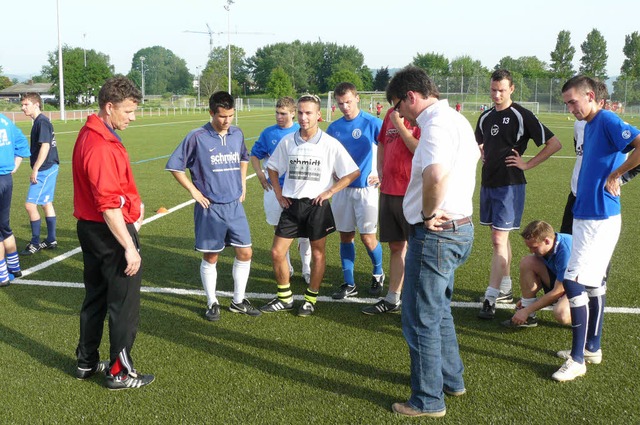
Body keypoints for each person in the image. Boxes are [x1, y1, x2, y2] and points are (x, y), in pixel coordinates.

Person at [387, 66, 479, 418]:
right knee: (438, 311)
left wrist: (427, 214)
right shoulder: (456, 120)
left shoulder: (437, 124)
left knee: (419, 317)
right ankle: (451, 380)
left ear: (411, 96)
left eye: (399, 105)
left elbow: (436, 174)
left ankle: (428, 399)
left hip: (437, 233)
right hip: (459, 227)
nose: (399, 113)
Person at [554, 75, 640, 381]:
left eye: (573, 102)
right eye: (567, 103)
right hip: (586, 212)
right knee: (592, 283)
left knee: (573, 281)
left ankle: (577, 360)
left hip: (599, 216)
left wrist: (619, 175)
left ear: (590, 96)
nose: (570, 108)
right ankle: (592, 347)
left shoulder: (606, 119)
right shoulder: (589, 124)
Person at [72, 76, 153, 390]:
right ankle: (119, 372)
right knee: (123, 303)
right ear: (110, 107)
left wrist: (133, 205)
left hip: (92, 229)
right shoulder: (100, 145)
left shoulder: (90, 133)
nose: (133, 117)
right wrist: (129, 246)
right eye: (129, 111)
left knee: (96, 298)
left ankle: (86, 361)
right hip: (109, 232)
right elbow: (107, 205)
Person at [259, 94, 359, 317]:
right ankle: (284, 297)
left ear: (318, 115)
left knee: (318, 254)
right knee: (277, 252)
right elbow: (273, 167)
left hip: (317, 206)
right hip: (292, 206)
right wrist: (278, 192)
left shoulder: (330, 144)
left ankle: (310, 299)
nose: (304, 118)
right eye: (301, 113)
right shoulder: (288, 141)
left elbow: (352, 172)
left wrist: (330, 191)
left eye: (309, 113)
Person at [166, 91, 260, 321]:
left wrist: (243, 185)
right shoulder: (196, 136)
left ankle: (238, 301)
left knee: (245, 252)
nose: (227, 121)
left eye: (230, 116)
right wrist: (193, 191)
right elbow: (175, 167)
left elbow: (244, 157)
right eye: (222, 116)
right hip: (210, 207)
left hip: (234, 206)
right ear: (211, 113)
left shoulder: (237, 133)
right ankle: (212, 302)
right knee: (211, 256)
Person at [476, 69, 562, 320]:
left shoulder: (521, 115)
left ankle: (491, 297)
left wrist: (527, 164)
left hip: (510, 185)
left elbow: (554, 143)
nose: (496, 94)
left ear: (511, 89)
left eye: (502, 90)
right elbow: (480, 142)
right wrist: (483, 151)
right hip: (488, 183)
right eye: (493, 89)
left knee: (498, 238)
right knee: (499, 239)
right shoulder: (485, 117)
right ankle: (504, 287)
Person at [326, 82, 384, 300]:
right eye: (340, 103)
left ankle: (378, 272)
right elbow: (329, 154)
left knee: (368, 238)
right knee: (345, 236)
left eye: (348, 102)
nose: (345, 107)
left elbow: (389, 148)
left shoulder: (372, 122)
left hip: (365, 190)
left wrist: (381, 171)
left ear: (357, 99)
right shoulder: (334, 128)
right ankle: (349, 283)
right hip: (341, 190)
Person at [362, 106, 419, 315]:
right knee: (396, 246)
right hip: (389, 190)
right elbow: (382, 142)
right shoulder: (390, 113)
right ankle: (393, 297)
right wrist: (379, 168)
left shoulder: (419, 115)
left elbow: (418, 148)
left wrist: (399, 125)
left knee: (417, 249)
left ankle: (415, 299)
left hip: (412, 192)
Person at [250, 96, 311, 284]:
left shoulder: (303, 132)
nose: (279, 117)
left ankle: (307, 269)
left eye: (283, 113)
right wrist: (260, 174)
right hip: (275, 190)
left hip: (298, 190)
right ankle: (288, 267)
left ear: (293, 113)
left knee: (304, 233)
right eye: (277, 113)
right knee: (279, 231)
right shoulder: (268, 133)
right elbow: (254, 155)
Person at [502, 220, 571, 328]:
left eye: (534, 247)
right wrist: (528, 302)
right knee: (528, 261)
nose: (531, 251)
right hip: (563, 282)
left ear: (547, 241)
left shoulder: (566, 252)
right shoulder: (549, 244)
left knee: (561, 313)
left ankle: (587, 314)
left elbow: (559, 291)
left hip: (582, 287)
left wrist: (527, 310)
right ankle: (529, 317)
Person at [19, 93, 59, 255]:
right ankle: (51, 239)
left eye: (26, 104)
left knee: (30, 205)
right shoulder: (40, 121)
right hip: (49, 167)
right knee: (46, 203)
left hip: (45, 169)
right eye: (22, 105)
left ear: (36, 105)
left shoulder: (41, 122)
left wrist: (35, 168)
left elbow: (45, 146)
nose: (23, 108)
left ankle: (35, 242)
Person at [0, 114, 30, 286]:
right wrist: (15, 167)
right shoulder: (5, 121)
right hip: (6, 179)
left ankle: (2, 275)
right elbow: (22, 145)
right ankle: (14, 267)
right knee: (4, 225)